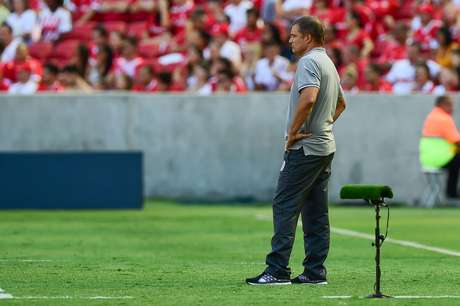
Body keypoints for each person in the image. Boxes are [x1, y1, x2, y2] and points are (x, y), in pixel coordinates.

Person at [246, 16, 346, 285]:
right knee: (316, 212)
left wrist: (293, 132)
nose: (289, 40)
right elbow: (340, 104)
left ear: (308, 38)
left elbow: (309, 97)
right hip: (324, 146)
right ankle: (315, 272)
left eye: (294, 35)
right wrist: (322, 126)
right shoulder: (328, 63)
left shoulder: (309, 62)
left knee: (285, 205)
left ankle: (277, 270)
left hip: (305, 149)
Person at [420, 95, 460, 198]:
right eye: (449, 105)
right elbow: (457, 140)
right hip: (441, 159)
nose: (452, 108)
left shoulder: (431, 116)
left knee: (456, 163)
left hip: (428, 160)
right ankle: (452, 193)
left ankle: (451, 192)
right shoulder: (444, 118)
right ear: (442, 105)